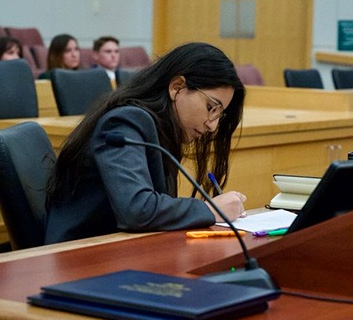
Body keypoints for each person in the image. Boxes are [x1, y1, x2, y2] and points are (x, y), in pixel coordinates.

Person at [44, 42, 246, 244]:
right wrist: (210, 209)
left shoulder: (162, 129)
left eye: (220, 115)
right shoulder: (125, 123)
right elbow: (137, 209)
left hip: (114, 250)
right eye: (211, 107)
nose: (212, 126)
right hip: (77, 258)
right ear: (177, 88)